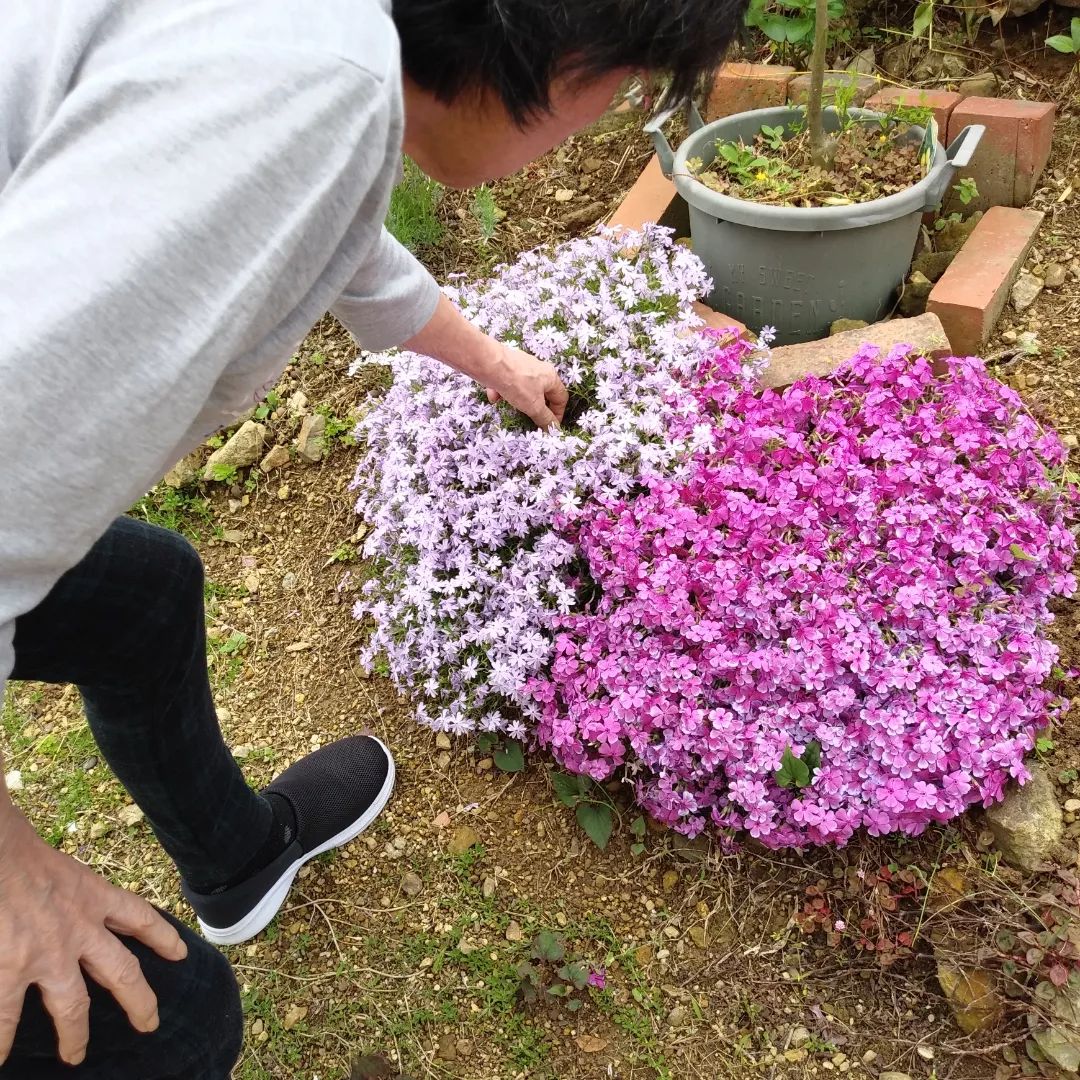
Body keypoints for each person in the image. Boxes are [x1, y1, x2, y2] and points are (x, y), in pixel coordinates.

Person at [0, 0, 744, 1075]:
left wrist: (492, 362)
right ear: (558, 50)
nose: (599, 123)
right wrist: (14, 878)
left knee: (142, 600)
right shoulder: (319, 90)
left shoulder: (311, 49)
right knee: (172, 1027)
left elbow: (325, 230)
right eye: (619, 89)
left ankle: (242, 865)